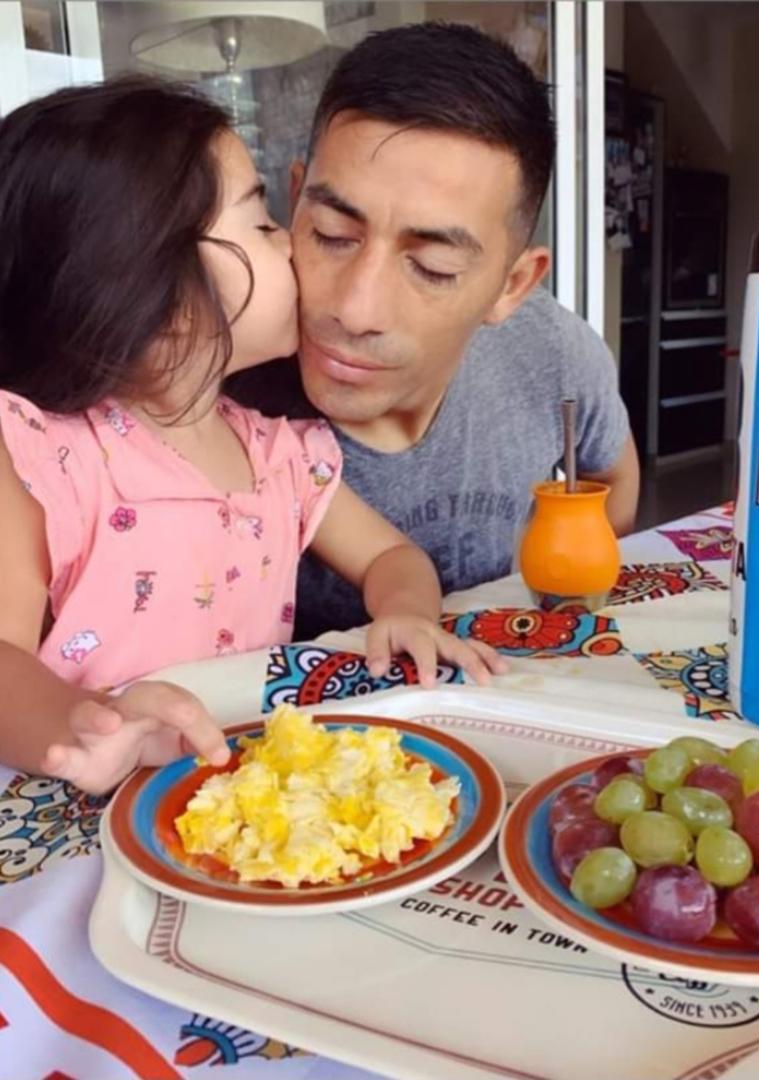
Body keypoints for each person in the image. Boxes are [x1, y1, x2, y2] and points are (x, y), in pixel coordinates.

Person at [0, 78, 504, 795]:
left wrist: (407, 612)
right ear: (148, 284)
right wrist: (87, 723)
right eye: (263, 223)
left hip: (240, 799)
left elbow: (393, 554)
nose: (295, 251)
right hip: (75, 817)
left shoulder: (283, 458)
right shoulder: (44, 455)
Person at [228, 22, 640, 640]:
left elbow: (616, 482)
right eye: (332, 235)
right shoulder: (214, 386)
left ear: (512, 285)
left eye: (432, 267)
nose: (354, 309)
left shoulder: (552, 353)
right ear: (293, 202)